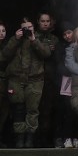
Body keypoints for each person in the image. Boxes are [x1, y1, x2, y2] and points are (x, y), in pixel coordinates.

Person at [7, 17, 51, 148]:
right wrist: (15, 39)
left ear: (33, 27)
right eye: (24, 28)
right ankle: (19, 139)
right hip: (17, 80)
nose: (27, 30)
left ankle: (30, 139)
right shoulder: (15, 39)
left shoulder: (39, 38)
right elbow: (5, 54)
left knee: (32, 110)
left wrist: (34, 40)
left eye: (29, 27)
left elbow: (46, 53)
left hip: (34, 80)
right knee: (18, 110)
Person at [35, 12, 60, 147]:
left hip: (49, 80)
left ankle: (45, 139)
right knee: (34, 109)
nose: (45, 23)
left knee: (47, 110)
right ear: (38, 22)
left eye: (47, 21)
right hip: (35, 78)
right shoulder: (33, 37)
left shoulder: (54, 39)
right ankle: (34, 139)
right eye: (42, 21)